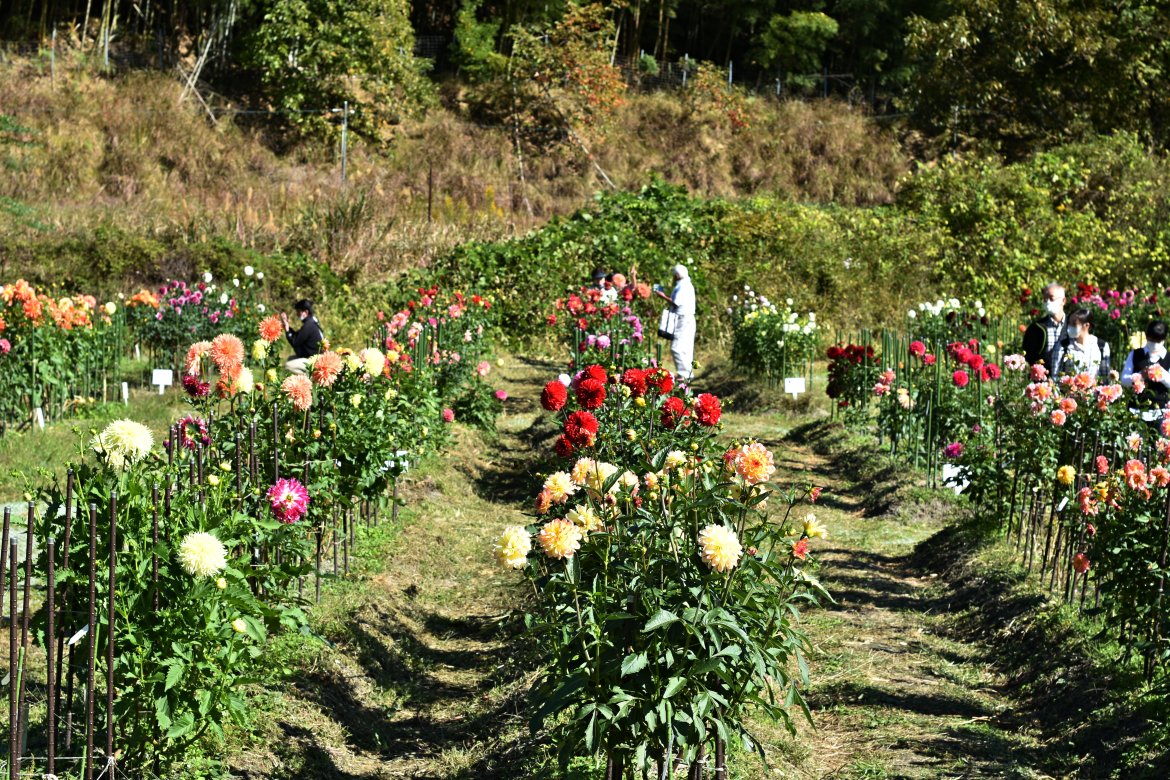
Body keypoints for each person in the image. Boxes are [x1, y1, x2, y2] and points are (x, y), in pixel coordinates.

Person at [1121, 320, 1170, 419]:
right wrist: (1140, 376)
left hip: (1160, 411)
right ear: (1147, 337)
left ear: (1164, 339)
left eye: (1158, 341)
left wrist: (1161, 375)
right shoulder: (1136, 354)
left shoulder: (1168, 358)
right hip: (1136, 409)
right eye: (1152, 340)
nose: (1154, 344)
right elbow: (1124, 380)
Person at [655, 264, 696, 382]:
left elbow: (676, 302)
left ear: (677, 275)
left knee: (677, 347)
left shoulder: (684, 286)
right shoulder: (685, 284)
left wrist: (661, 295)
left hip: (683, 319)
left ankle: (684, 373)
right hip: (685, 318)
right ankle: (686, 373)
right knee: (685, 347)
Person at [1049, 308, 1111, 379]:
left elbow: (1105, 377)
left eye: (1074, 324)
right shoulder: (1062, 346)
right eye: (1069, 323)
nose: (1070, 326)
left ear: (1087, 325)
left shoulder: (1101, 346)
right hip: (1069, 389)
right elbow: (1055, 376)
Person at [1023, 283, 1066, 366]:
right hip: (1043, 377)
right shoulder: (1035, 328)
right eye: (1045, 299)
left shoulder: (1072, 326)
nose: (1048, 302)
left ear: (1063, 301)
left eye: (1051, 298)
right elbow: (1029, 355)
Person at [282, 299, 324, 375]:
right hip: (314, 357)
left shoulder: (309, 325)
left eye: (299, 311)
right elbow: (297, 337)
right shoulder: (312, 322)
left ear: (306, 312)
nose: (297, 314)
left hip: (315, 360)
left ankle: (310, 378)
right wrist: (287, 328)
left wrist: (288, 330)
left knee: (288, 365)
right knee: (290, 359)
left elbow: (295, 342)